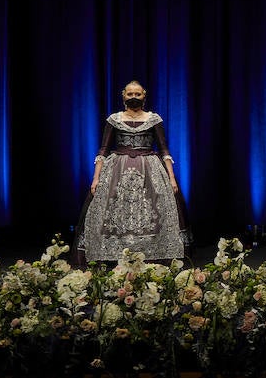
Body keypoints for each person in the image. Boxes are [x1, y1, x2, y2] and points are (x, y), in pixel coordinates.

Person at [74, 80, 191, 264]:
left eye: (137, 94)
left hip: (149, 169)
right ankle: (112, 257)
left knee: (153, 210)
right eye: (130, 94)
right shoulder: (114, 119)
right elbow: (103, 150)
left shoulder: (153, 119)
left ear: (144, 95)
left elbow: (164, 150)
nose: (134, 97)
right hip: (117, 169)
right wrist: (96, 178)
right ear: (123, 96)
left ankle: (155, 257)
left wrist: (172, 178)